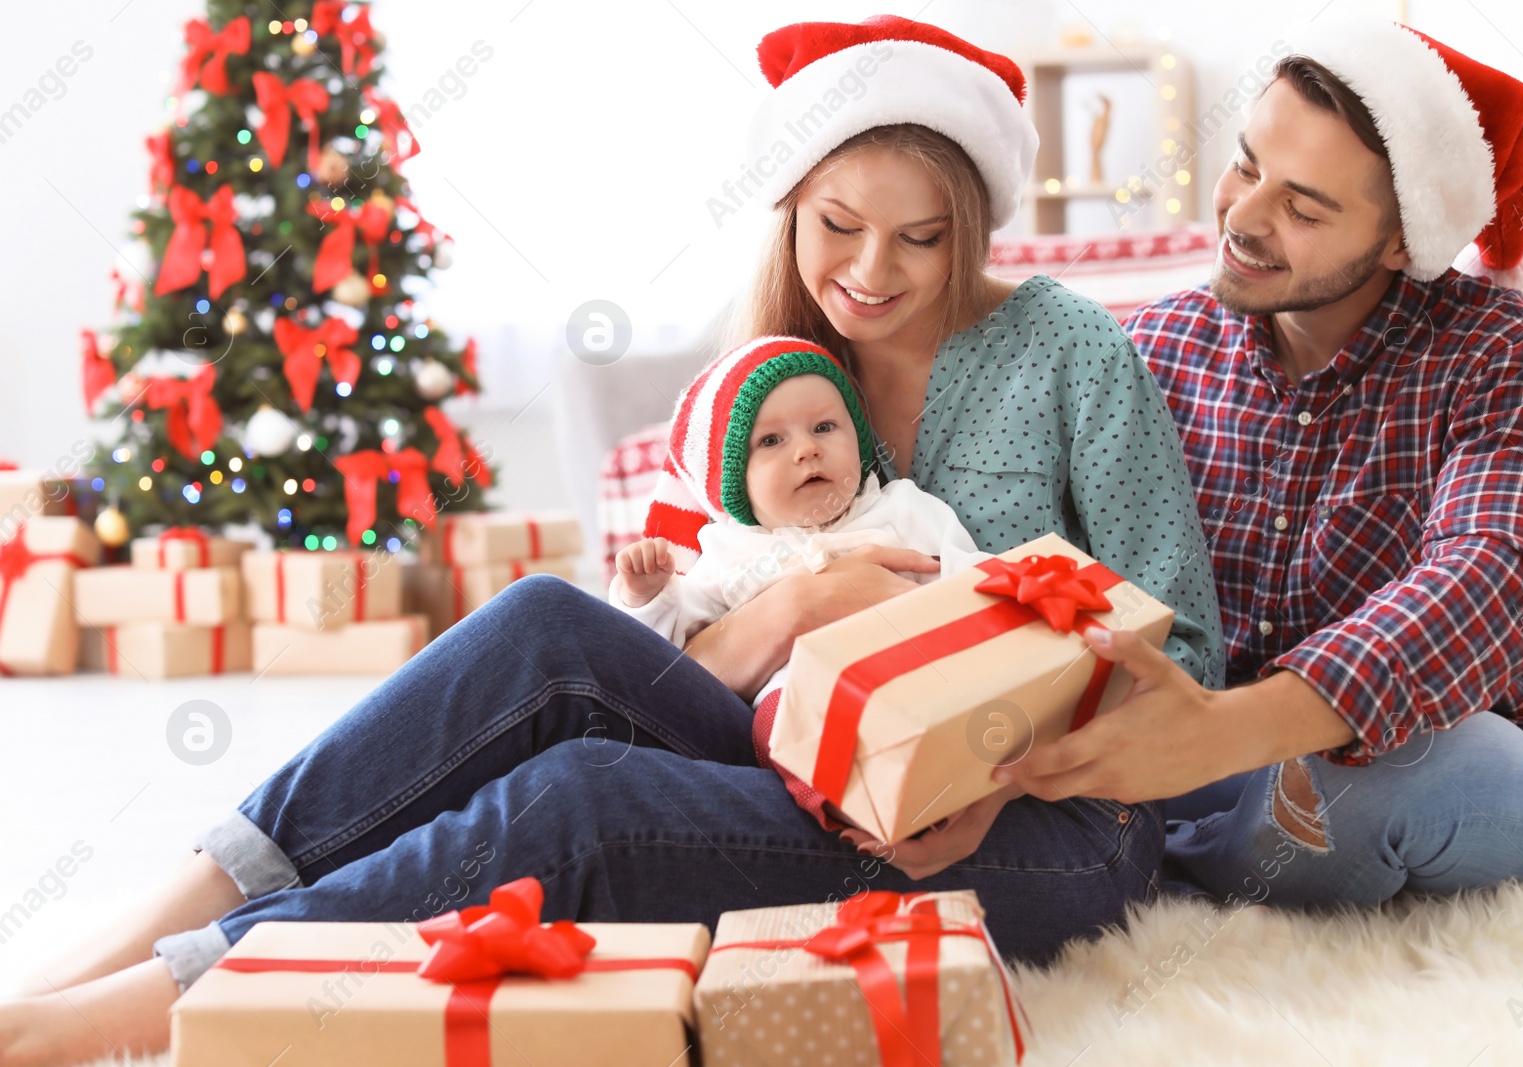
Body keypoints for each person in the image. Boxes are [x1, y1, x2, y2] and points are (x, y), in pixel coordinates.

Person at [0, 15, 1223, 1065]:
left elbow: (1191, 656)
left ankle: (153, 998)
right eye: (840, 224)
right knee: (543, 623)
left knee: (583, 798)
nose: (870, 271)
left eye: (921, 238)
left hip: (1048, 826)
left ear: (972, 228)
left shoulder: (1068, 348)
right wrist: (796, 608)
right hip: (802, 755)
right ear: (792, 208)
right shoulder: (784, 376)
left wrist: (999, 773)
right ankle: (176, 902)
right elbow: (712, 639)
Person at [1000, 16, 1523, 911]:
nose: (1241, 216)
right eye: (1245, 164)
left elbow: (1495, 571)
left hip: (1449, 751)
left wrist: (1224, 731)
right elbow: (1063, 554)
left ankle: (1157, 857)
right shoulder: (1154, 346)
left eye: (1303, 207)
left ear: (1403, 240)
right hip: (1204, 749)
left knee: (1432, 770)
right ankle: (1164, 839)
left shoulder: (1512, 358)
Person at [611, 335, 989, 709]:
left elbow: (976, 575)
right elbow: (664, 648)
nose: (807, 449)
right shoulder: (727, 554)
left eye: (824, 427)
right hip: (802, 705)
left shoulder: (902, 508)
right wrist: (645, 596)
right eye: (772, 440)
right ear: (735, 484)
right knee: (784, 712)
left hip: (920, 677)